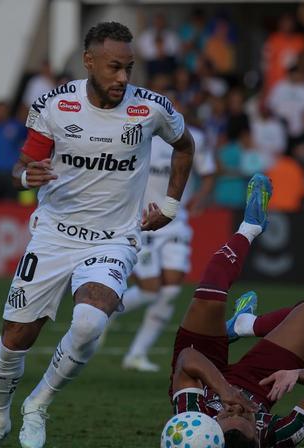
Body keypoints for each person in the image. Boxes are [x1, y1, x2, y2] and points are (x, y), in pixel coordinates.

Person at [0, 22, 196, 448]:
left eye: (129, 68)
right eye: (114, 68)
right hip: (53, 235)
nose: (123, 79)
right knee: (15, 337)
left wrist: (170, 205)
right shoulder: (55, 105)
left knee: (91, 320)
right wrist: (24, 177)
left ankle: (38, 404)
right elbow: (23, 165)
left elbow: (185, 146)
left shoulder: (151, 108)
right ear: (89, 62)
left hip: (113, 238)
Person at [169, 173, 304, 447]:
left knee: (209, 299)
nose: (237, 407)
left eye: (227, 413)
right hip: (261, 383)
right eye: (247, 416)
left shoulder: (195, 423)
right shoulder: (276, 437)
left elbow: (189, 359)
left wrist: (225, 392)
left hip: (203, 375)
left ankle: (249, 228)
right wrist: (297, 375)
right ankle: (244, 325)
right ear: (258, 435)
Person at [116, 111, 216, 373]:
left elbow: (208, 173)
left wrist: (201, 198)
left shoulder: (195, 137)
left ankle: (137, 354)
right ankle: (109, 308)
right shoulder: (138, 134)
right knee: (150, 289)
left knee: (170, 291)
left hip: (175, 220)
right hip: (142, 222)